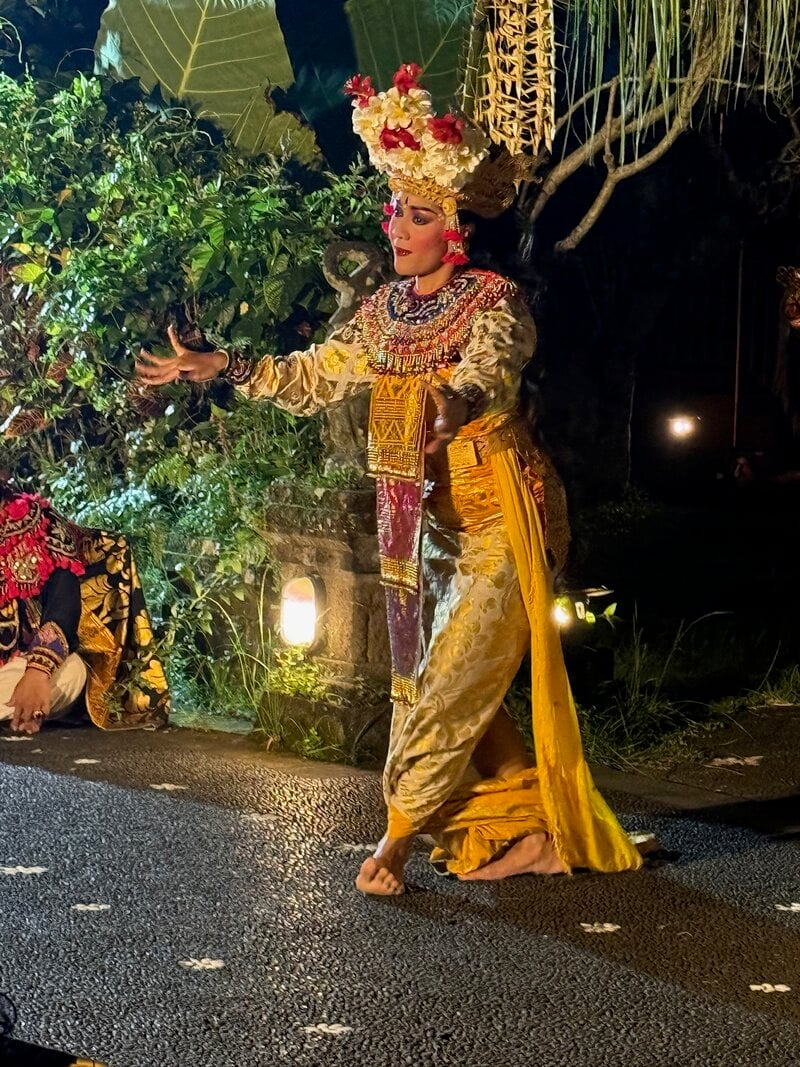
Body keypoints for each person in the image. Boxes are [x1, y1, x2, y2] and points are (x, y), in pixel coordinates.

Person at [136, 64, 645, 893]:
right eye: (396, 211)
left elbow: (493, 363)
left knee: (440, 688)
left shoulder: (492, 300)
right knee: (453, 676)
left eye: (418, 214)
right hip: (431, 528)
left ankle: (395, 840)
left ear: (456, 230)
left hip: (503, 518)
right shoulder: (387, 313)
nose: (398, 227)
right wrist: (219, 365)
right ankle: (531, 828)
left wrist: (457, 400)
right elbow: (316, 376)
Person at [0, 481, 169, 734]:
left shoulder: (38, 522)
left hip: (26, 667)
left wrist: (37, 671)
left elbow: (62, 604)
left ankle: (29, 703)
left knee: (73, 672)